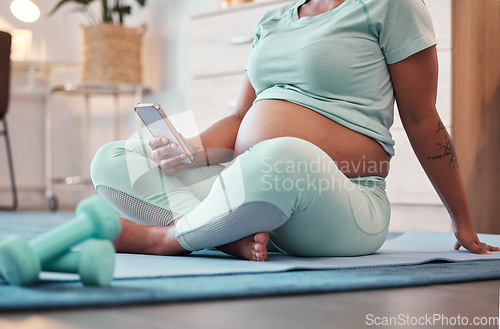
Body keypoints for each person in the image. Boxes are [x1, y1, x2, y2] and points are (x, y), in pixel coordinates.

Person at [90, 0, 499, 261]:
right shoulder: (272, 20)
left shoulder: (391, 6)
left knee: (278, 157)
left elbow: (423, 119)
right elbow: (239, 118)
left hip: (341, 200)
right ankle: (227, 235)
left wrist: (462, 220)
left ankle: (164, 239)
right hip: (249, 181)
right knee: (115, 159)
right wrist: (186, 151)